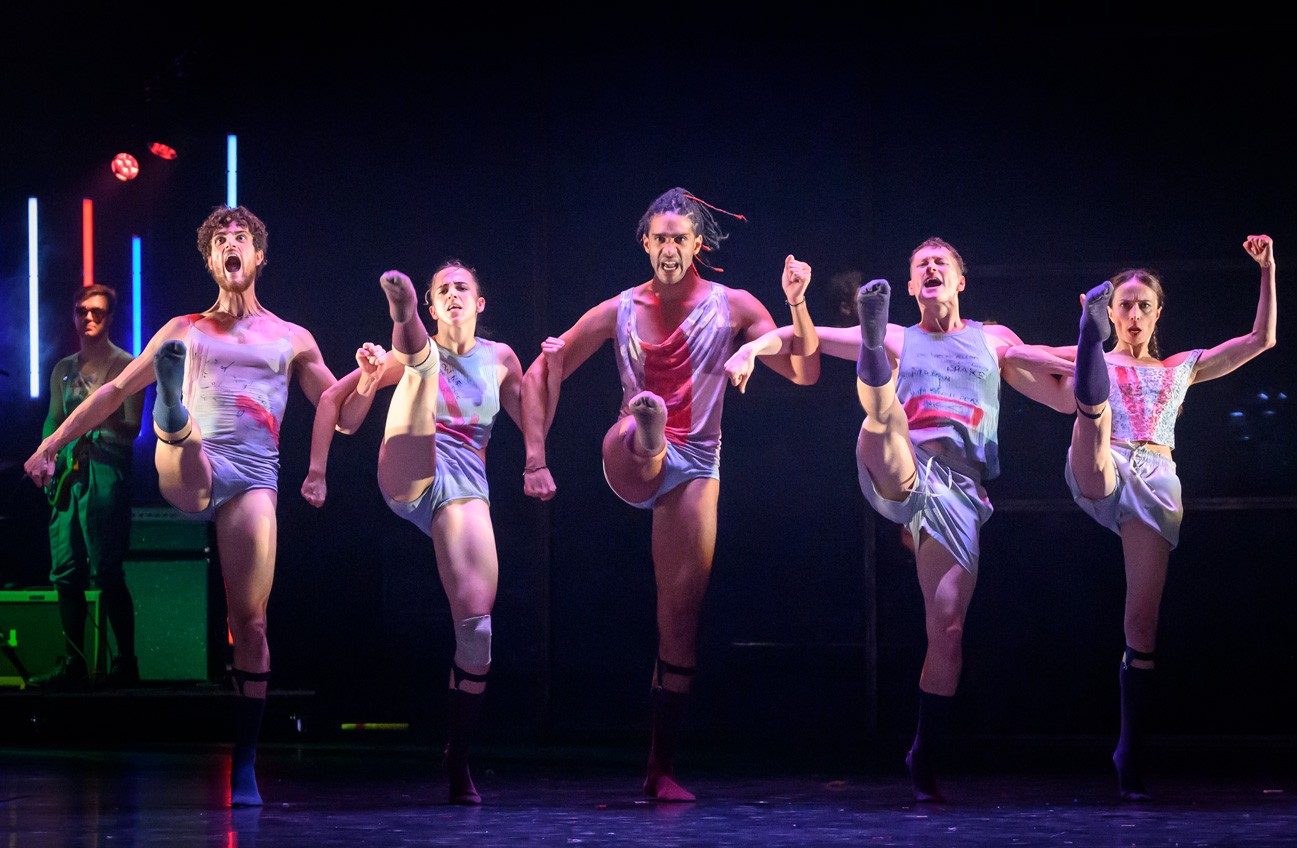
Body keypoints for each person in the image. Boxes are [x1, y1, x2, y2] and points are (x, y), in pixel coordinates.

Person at [727, 237, 1075, 803]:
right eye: (921, 266)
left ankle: (925, 753)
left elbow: (1058, 380)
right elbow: (797, 339)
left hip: (959, 491)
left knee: (948, 632)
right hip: (903, 463)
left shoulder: (993, 340)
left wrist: (1099, 350)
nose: (932, 268)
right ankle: (870, 353)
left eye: (942, 263)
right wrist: (757, 343)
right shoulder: (900, 336)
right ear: (911, 287)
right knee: (882, 417)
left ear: (960, 281)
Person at [24, 205, 338, 807]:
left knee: (251, 623)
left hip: (253, 479)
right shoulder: (184, 328)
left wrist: (373, 377)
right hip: (190, 465)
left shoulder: (292, 337)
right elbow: (115, 390)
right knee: (183, 442)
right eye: (220, 240)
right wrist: (50, 444)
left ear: (259, 255)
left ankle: (245, 764)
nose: (230, 245)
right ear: (210, 261)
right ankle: (171, 409)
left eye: (240, 237)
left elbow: (338, 410)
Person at [520, 187, 818, 802]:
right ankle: (650, 431)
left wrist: (796, 302)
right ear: (646, 243)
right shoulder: (620, 309)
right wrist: (535, 458)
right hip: (629, 451)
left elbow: (804, 369)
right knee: (639, 433)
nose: (670, 248)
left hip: (698, 463)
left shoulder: (734, 306)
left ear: (697, 244)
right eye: (660, 238)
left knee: (679, 618)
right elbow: (541, 372)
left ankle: (660, 769)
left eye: (680, 238)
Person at [1017, 234, 1276, 800]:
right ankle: (1089, 354)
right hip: (1102, 460)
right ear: (1111, 312)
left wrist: (1268, 270)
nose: (1134, 313)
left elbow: (1261, 339)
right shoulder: (1097, 351)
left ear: (1158, 314)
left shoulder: (1180, 367)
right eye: (1124, 305)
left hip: (1156, 480)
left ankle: (1129, 751)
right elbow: (1012, 357)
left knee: (1142, 624)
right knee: (1093, 414)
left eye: (1143, 305)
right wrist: (1062, 352)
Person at [302, 260, 524, 805]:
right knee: (419, 365)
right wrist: (318, 469)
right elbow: (340, 411)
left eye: (462, 288)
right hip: (409, 469)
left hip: (463, 487)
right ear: (431, 307)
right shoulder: (402, 354)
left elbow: (534, 410)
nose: (453, 294)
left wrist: (538, 457)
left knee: (477, 630)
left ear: (479, 304)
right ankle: (408, 331)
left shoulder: (500, 359)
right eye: (442, 290)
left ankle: (458, 759)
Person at [29, 284, 143, 690]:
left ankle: (125, 664)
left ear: (110, 317)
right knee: (65, 571)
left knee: (107, 570)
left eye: (97, 311)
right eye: (82, 311)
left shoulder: (126, 365)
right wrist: (47, 457)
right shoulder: (63, 368)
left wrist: (96, 413)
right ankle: (74, 664)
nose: (89, 318)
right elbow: (52, 419)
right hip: (67, 477)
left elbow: (132, 428)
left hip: (105, 472)